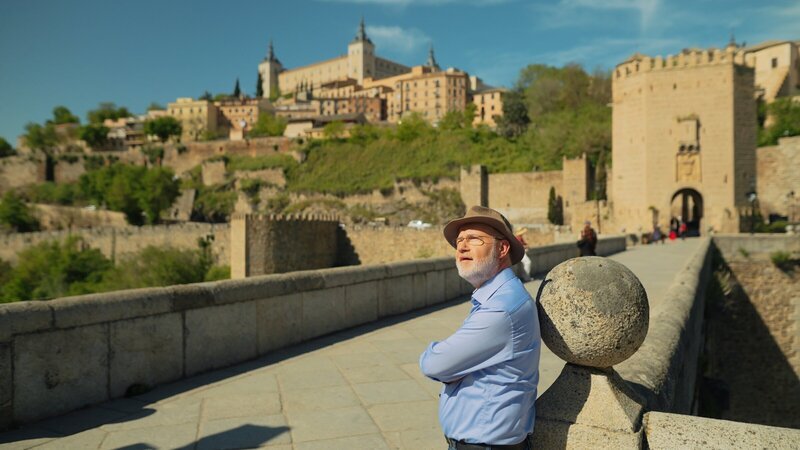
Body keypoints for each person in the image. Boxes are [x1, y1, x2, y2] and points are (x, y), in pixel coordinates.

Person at [420, 206, 541, 450]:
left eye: (474, 239)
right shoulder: (498, 297)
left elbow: (433, 364)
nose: (461, 247)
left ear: (502, 248)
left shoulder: (501, 309)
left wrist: (436, 352)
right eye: (459, 240)